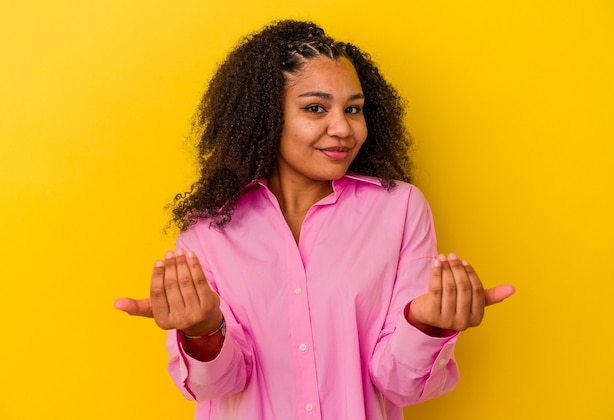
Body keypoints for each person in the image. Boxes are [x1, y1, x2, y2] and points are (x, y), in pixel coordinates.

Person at [114, 19, 515, 420]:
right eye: (315, 108)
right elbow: (215, 386)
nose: (342, 128)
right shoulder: (208, 231)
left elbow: (400, 384)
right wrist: (202, 329)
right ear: (266, 118)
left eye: (353, 109)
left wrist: (426, 325)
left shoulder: (400, 209)